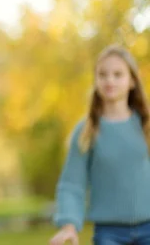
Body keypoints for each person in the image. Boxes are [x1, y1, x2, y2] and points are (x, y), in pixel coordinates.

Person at [49, 45, 150, 245]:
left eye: (118, 74)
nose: (109, 80)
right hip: (109, 234)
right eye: (102, 75)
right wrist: (69, 225)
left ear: (132, 81)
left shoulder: (146, 125)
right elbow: (72, 185)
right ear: (96, 80)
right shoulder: (87, 131)